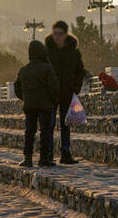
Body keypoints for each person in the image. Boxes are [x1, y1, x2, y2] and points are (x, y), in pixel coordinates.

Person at [14, 40, 60, 167]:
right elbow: (54, 87)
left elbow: (17, 88)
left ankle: (27, 158)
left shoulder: (24, 70)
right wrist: (53, 100)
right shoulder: (47, 68)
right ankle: (44, 158)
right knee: (45, 131)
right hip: (45, 105)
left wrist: (24, 98)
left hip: (29, 105)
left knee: (30, 131)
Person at [45, 21, 85, 165]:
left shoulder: (73, 51)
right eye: (54, 33)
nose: (57, 37)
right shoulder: (47, 51)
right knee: (49, 124)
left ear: (65, 34)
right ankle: (48, 153)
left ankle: (65, 152)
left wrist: (76, 88)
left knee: (66, 123)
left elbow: (80, 71)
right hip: (51, 93)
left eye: (60, 34)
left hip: (67, 93)